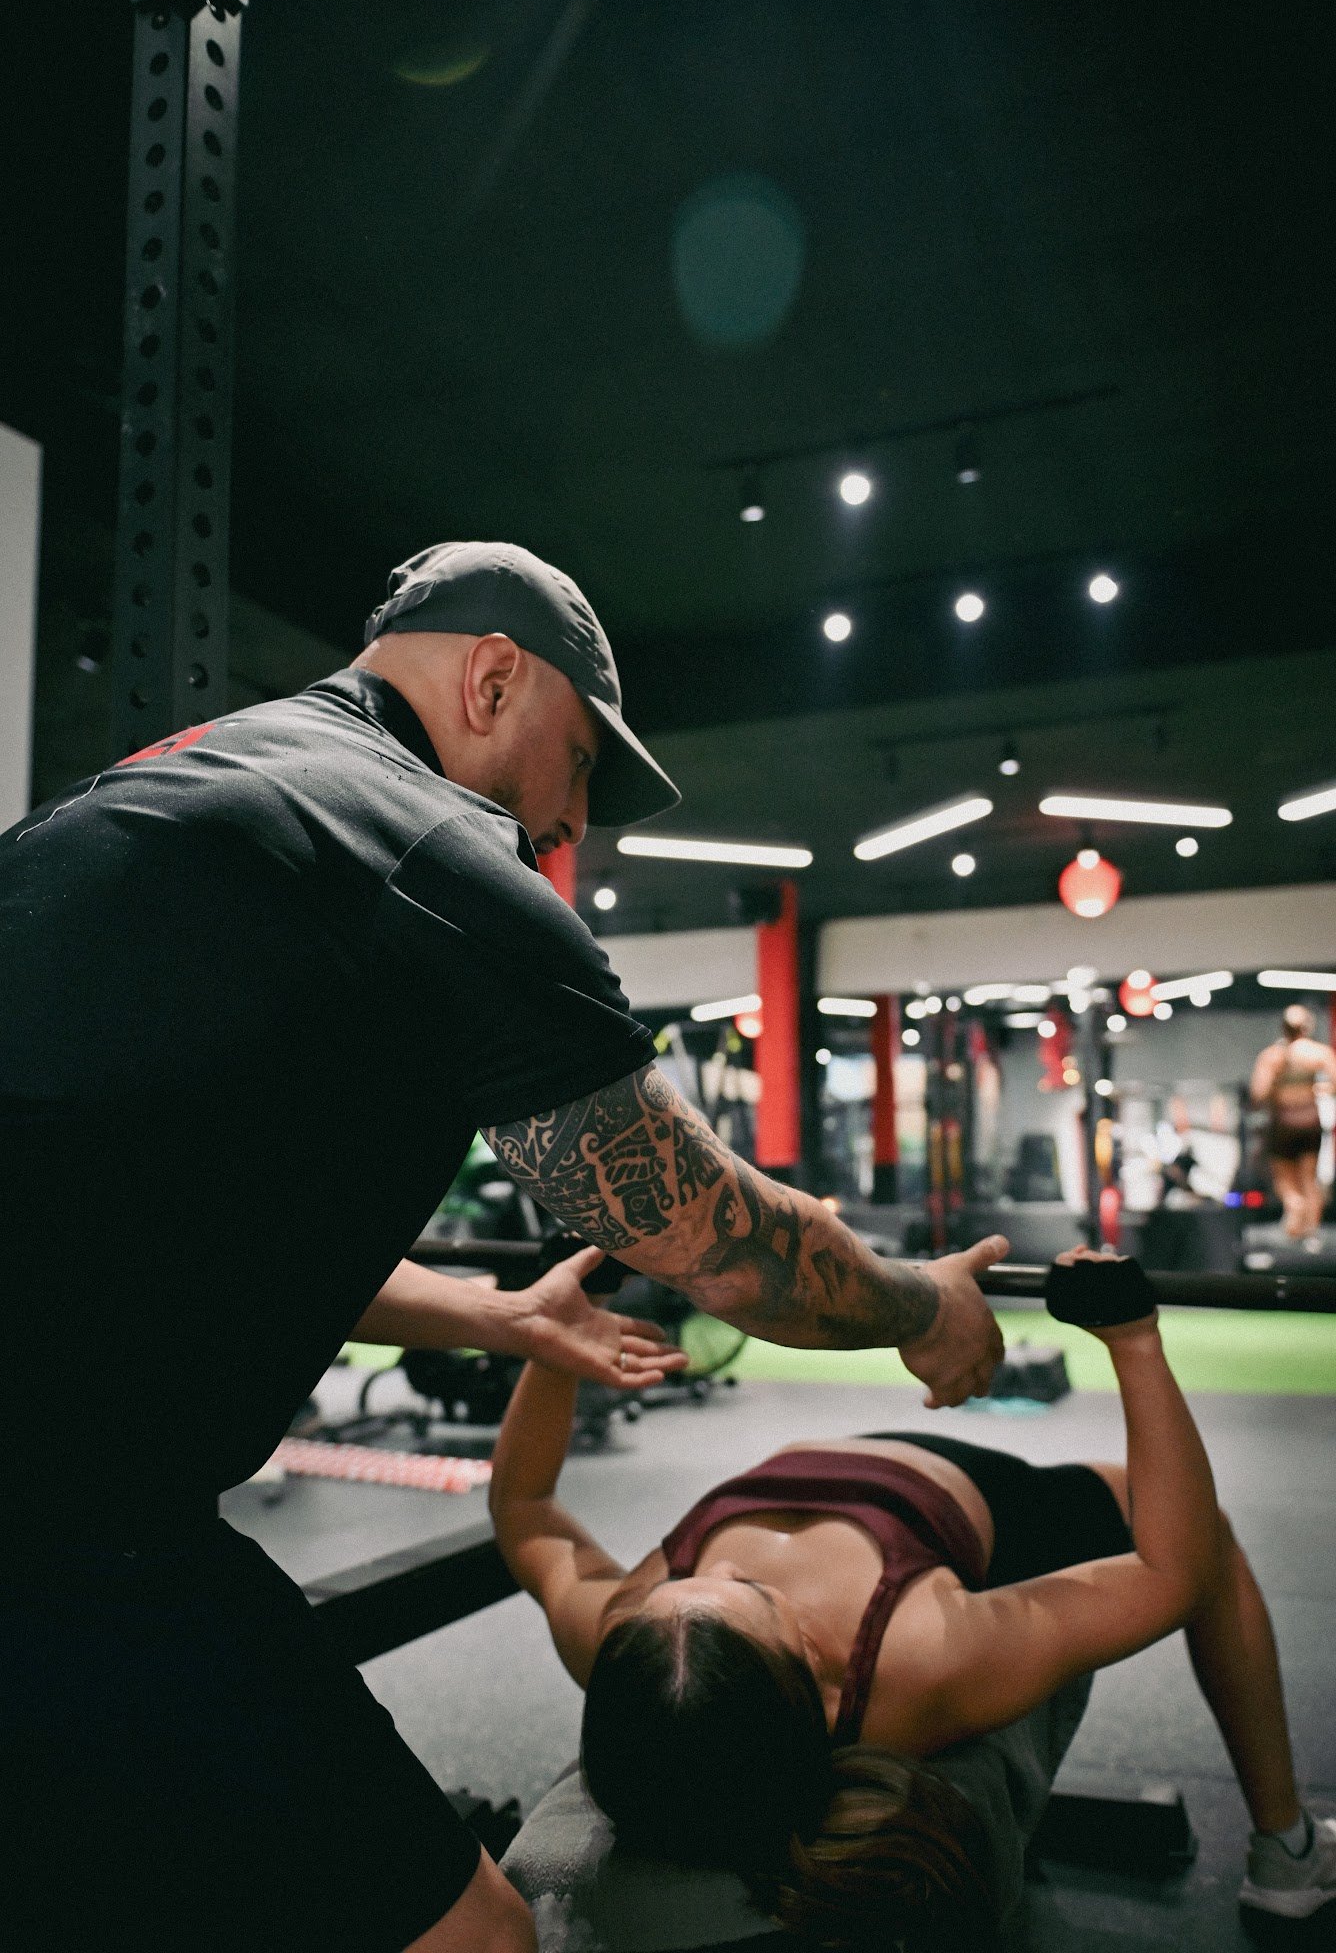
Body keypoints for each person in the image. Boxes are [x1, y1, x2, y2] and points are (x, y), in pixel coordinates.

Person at [0, 540, 1004, 1952]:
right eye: (581, 761)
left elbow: (157, 1229)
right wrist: (919, 1306)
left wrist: (502, 1323)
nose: (569, 814)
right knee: (478, 1940)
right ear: (491, 677)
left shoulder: (154, 795)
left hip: (58, 1491)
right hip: (64, 1534)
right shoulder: (427, 846)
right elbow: (717, 1246)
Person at [489, 1246, 1336, 1946]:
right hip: (982, 1504)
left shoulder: (627, 1637)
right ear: (817, 1686)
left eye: (692, 1583)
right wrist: (1133, 1339)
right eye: (752, 1595)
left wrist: (554, 1339)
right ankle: (1286, 1854)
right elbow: (1172, 1573)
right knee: (1214, 1537)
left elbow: (523, 1509)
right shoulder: (920, 1657)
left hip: (864, 1469)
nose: (726, 1572)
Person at [1250, 1004, 1336, 1239]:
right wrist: (1319, 1088)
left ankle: (1294, 1205)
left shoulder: (1272, 1056)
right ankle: (1310, 1227)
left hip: (1284, 1121)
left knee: (1284, 1176)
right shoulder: (1317, 1053)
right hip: (1309, 1120)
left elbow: (1258, 1092)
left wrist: (1279, 1089)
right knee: (1309, 1176)